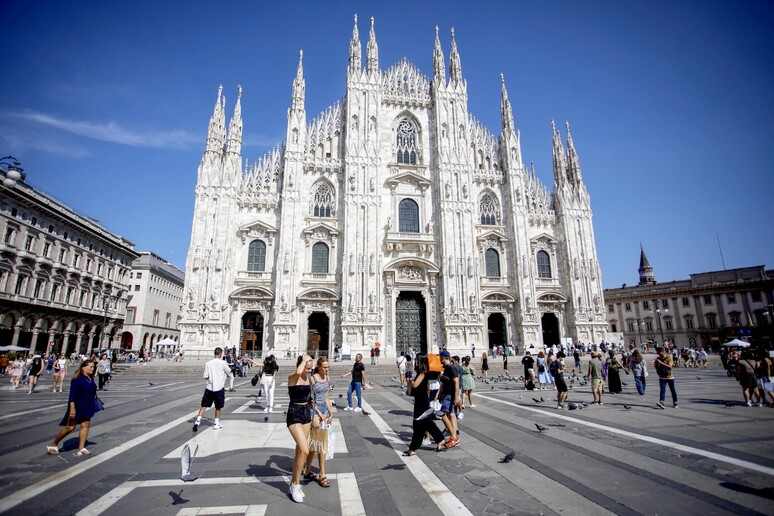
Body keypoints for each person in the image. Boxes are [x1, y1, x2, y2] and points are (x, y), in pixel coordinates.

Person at [46, 360, 98, 456]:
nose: (92, 368)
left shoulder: (90, 378)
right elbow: (72, 395)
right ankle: (53, 444)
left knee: (85, 425)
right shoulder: (77, 379)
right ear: (83, 368)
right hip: (77, 405)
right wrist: (72, 408)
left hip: (87, 405)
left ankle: (81, 447)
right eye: (90, 367)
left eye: (93, 367)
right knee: (70, 427)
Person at [404, 355, 445, 456]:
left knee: (420, 424)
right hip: (421, 402)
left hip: (421, 403)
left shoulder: (422, 374)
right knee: (422, 425)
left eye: (419, 362)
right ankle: (414, 448)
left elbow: (415, 385)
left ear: (423, 364)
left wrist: (410, 381)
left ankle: (413, 448)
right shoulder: (424, 374)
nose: (418, 364)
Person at [287, 354, 314, 503]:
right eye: (307, 368)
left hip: (306, 414)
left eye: (311, 368)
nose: (309, 370)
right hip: (294, 414)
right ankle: (296, 485)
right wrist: (304, 359)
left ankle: (294, 482)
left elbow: (310, 399)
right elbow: (298, 373)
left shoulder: (309, 379)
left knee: (299, 451)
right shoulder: (293, 377)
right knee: (305, 450)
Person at [303, 357, 333, 488]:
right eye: (325, 367)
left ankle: (307, 470)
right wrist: (319, 413)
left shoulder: (327, 378)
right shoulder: (312, 379)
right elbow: (309, 399)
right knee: (321, 443)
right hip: (313, 411)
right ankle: (322, 474)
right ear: (319, 366)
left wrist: (330, 412)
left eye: (328, 367)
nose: (327, 369)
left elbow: (326, 397)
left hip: (323, 409)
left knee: (315, 444)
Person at [192, 347, 233, 431]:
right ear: (220, 354)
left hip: (209, 388)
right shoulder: (223, 363)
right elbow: (229, 372)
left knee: (204, 405)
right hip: (219, 388)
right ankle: (216, 423)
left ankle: (197, 421)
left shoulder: (208, 363)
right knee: (218, 406)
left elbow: (205, 376)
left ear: (214, 353)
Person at [438, 350, 460, 448]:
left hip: (449, 395)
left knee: (442, 414)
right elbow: (445, 383)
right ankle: (454, 437)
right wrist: (440, 394)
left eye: (440, 357)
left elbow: (456, 382)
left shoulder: (452, 368)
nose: (439, 359)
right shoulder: (446, 368)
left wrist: (456, 397)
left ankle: (454, 436)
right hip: (446, 394)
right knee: (450, 414)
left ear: (443, 357)